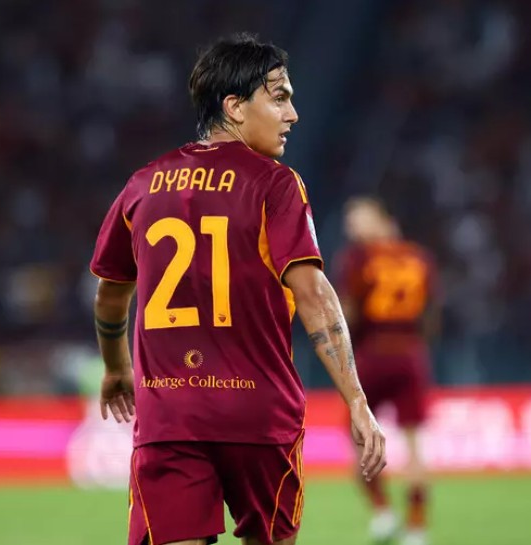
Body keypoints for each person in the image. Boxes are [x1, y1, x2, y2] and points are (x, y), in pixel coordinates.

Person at [89, 34, 386, 545]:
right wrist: (356, 399)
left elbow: (111, 294)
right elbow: (313, 294)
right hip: (259, 417)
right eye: (279, 98)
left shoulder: (142, 185)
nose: (292, 114)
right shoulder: (275, 184)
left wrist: (117, 368)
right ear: (234, 106)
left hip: (170, 418)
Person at [335, 196, 441, 545]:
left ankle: (383, 512)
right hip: (411, 352)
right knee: (415, 446)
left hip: (372, 353)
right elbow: (431, 312)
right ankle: (417, 528)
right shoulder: (419, 257)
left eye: (358, 219)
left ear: (382, 219)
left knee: (357, 436)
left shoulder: (357, 258)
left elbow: (347, 313)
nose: (352, 228)